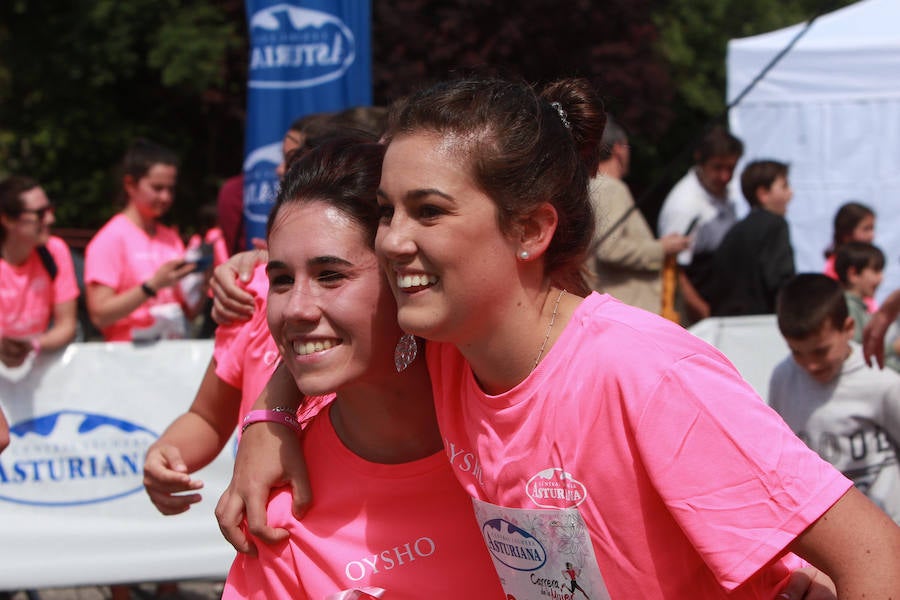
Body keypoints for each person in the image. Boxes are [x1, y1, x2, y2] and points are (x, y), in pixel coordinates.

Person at [214, 77, 900, 598]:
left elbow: (875, 555)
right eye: (387, 212)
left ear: (529, 231)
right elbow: (323, 323)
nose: (392, 239)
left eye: (428, 210)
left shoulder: (639, 373)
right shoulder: (457, 351)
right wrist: (269, 419)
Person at [217, 136, 503, 598]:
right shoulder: (279, 504)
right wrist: (268, 418)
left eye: (331, 275)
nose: (296, 309)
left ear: (406, 276)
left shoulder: (515, 431)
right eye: (282, 280)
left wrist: (271, 412)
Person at [770, 273, 900, 525]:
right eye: (797, 352)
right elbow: (780, 454)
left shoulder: (881, 380)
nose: (811, 365)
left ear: (849, 329)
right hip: (824, 536)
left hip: (887, 530)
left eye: (821, 351)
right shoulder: (783, 378)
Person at [84, 139, 199, 342]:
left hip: (173, 352)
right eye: (157, 188)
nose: (166, 197)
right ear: (130, 184)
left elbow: (189, 312)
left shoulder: (170, 237)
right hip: (127, 360)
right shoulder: (109, 239)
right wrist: (152, 286)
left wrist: (203, 281)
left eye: (170, 189)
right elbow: (100, 315)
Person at [586, 116, 689, 313]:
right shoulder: (611, 188)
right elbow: (610, 248)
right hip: (627, 309)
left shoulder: (589, 187)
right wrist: (663, 247)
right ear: (618, 148)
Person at [657, 125, 744, 324]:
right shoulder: (684, 205)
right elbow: (675, 270)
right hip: (698, 310)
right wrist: (702, 312)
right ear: (700, 160)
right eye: (717, 167)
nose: (725, 176)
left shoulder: (727, 192)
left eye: (731, 168)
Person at [0, 176, 79, 368]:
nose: (51, 219)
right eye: (40, 214)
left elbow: (67, 325)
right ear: (8, 220)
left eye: (50, 209)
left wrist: (33, 345)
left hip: (32, 370)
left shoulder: (55, 252)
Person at [708, 160, 795, 316]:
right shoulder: (775, 225)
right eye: (784, 186)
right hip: (762, 323)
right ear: (763, 194)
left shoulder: (735, 231)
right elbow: (780, 281)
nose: (791, 193)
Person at [823, 201, 877, 312]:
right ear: (846, 234)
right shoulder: (834, 266)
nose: (872, 235)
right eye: (866, 229)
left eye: (872, 229)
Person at [833, 242, 885, 342]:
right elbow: (854, 347)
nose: (881, 278)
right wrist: (895, 348)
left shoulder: (855, 305)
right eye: (876, 271)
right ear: (853, 274)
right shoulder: (849, 306)